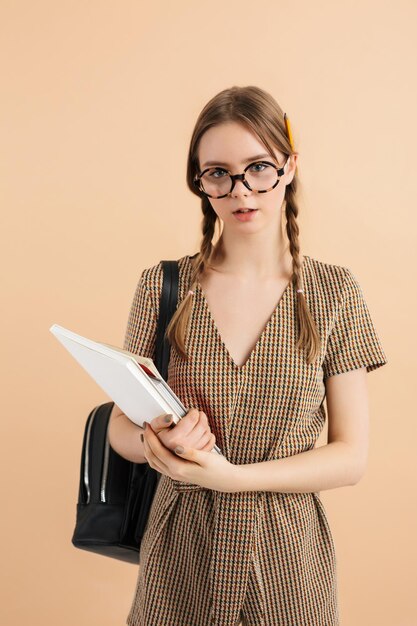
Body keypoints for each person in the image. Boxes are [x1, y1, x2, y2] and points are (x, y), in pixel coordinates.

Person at [108, 85, 388, 626]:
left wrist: (234, 478)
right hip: (180, 560)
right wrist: (153, 441)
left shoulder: (334, 293)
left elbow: (351, 456)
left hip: (286, 564)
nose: (240, 192)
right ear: (199, 181)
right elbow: (119, 426)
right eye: (217, 173)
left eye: (258, 167)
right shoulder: (162, 287)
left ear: (289, 167)